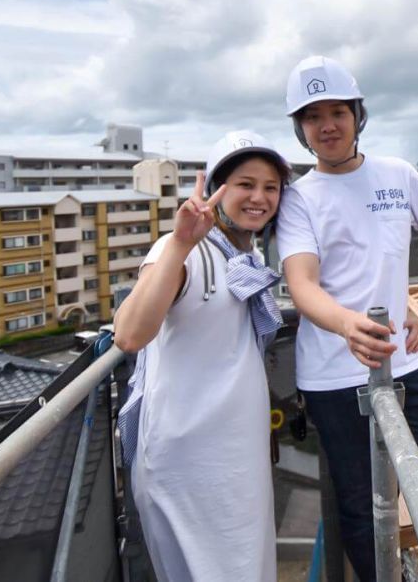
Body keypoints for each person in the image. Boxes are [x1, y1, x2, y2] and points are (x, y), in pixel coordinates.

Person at [276, 55, 418, 580]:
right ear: (301, 130)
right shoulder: (298, 198)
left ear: (357, 115)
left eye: (337, 111)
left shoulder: (398, 175)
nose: (327, 125)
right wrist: (346, 325)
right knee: (362, 509)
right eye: (312, 117)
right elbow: (301, 283)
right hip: (332, 375)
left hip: (403, 364)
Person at [114, 131, 289, 581]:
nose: (259, 197)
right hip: (189, 469)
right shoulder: (186, 251)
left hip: (235, 464)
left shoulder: (244, 260)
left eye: (270, 187)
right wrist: (178, 243)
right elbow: (130, 334)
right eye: (245, 184)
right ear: (215, 189)